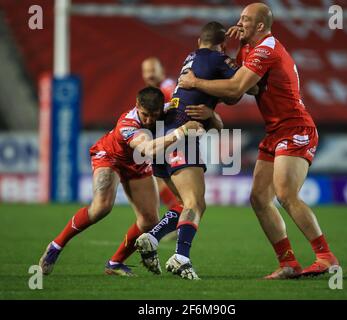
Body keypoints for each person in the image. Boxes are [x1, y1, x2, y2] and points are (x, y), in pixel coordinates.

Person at [178, 3, 339, 279]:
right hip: (275, 131)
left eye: (245, 20)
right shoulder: (247, 49)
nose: (239, 23)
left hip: (295, 127)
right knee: (259, 198)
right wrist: (228, 60)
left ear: (260, 26)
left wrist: (197, 83)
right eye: (239, 18)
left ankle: (326, 257)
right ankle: (288, 262)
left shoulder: (266, 48)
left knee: (286, 193)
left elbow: (236, 87)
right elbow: (234, 95)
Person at [38, 87, 202, 277]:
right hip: (110, 157)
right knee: (101, 207)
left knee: (149, 220)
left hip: (137, 164)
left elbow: (186, 108)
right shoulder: (128, 124)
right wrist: (181, 132)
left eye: (154, 115)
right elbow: (148, 149)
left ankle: (115, 263)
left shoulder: (166, 109)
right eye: (145, 115)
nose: (149, 120)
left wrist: (208, 114)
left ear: (160, 109)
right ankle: (56, 246)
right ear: (137, 105)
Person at [135, 21, 242, 280]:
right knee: (195, 203)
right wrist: (244, 50)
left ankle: (152, 237)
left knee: (185, 204)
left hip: (163, 133)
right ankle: (181, 257)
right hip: (183, 133)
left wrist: (212, 114)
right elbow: (244, 88)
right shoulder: (217, 59)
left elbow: (226, 97)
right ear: (222, 45)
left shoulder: (191, 59)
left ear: (198, 41)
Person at [141, 57, 180, 240]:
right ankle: (175, 220)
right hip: (163, 139)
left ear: (161, 70)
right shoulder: (155, 91)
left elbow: (173, 109)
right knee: (159, 181)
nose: (149, 74)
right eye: (145, 71)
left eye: (152, 70)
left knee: (165, 182)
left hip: (173, 140)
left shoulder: (168, 87)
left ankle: (177, 219)